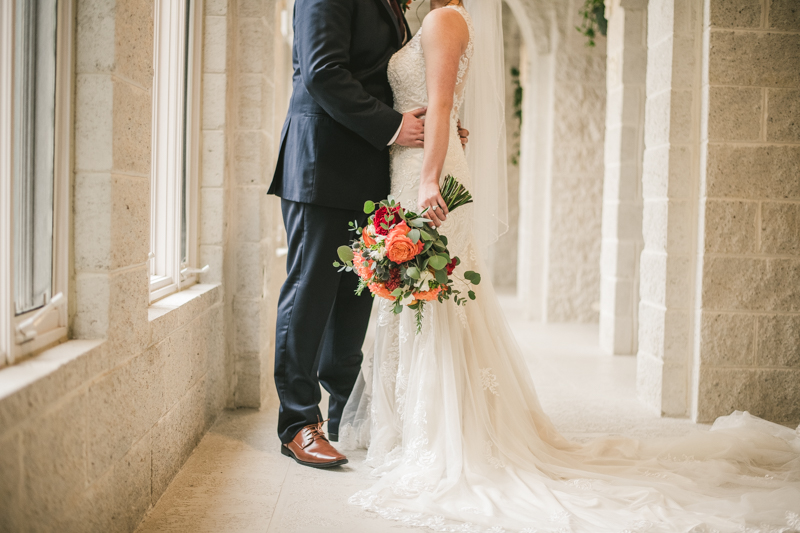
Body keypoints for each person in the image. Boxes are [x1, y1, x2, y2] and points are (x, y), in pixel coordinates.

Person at [339, 1, 800, 531]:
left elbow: (441, 106)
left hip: (426, 175)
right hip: (414, 164)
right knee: (423, 304)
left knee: (439, 306)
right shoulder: (426, 20)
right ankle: (417, 433)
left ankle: (445, 440)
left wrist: (428, 183)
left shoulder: (444, 20)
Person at [268, 0, 468, 469]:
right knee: (309, 292)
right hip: (321, 163)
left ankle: (343, 414)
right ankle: (298, 423)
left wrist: (436, 131)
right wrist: (397, 126)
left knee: (356, 298)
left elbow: (386, 77)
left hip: (370, 169)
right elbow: (323, 72)